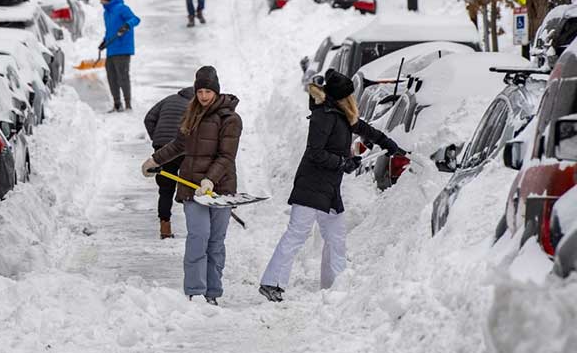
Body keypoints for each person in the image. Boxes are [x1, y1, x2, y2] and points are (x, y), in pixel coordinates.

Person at [259, 69, 406, 302]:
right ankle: (271, 282)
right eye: (351, 96)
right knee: (297, 234)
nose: (354, 100)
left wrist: (387, 143)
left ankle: (335, 285)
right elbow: (315, 152)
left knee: (336, 237)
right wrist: (343, 162)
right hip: (311, 184)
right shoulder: (323, 116)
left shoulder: (340, 114)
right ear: (342, 97)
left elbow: (364, 128)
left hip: (328, 187)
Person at [140, 66, 242, 305]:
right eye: (200, 91)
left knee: (215, 243)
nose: (204, 96)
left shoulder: (231, 119)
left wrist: (210, 180)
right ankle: (195, 291)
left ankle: (213, 293)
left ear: (216, 91)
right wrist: (154, 160)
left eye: (208, 91)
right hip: (191, 187)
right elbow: (178, 145)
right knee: (198, 237)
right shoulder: (191, 114)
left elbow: (226, 156)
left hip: (220, 191)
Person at [144, 86, 195, 239]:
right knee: (190, 185)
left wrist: (158, 140)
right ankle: (195, 227)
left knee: (166, 188)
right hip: (183, 148)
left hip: (162, 149)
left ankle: (164, 227)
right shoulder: (195, 106)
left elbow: (149, 119)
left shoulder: (169, 99)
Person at [99, 0, 141, 112]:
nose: (100, 1)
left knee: (122, 76)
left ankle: (128, 104)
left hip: (123, 48)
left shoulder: (122, 8)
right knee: (111, 76)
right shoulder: (106, 13)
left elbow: (135, 19)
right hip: (111, 49)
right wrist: (104, 42)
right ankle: (117, 103)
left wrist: (126, 26)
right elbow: (109, 31)